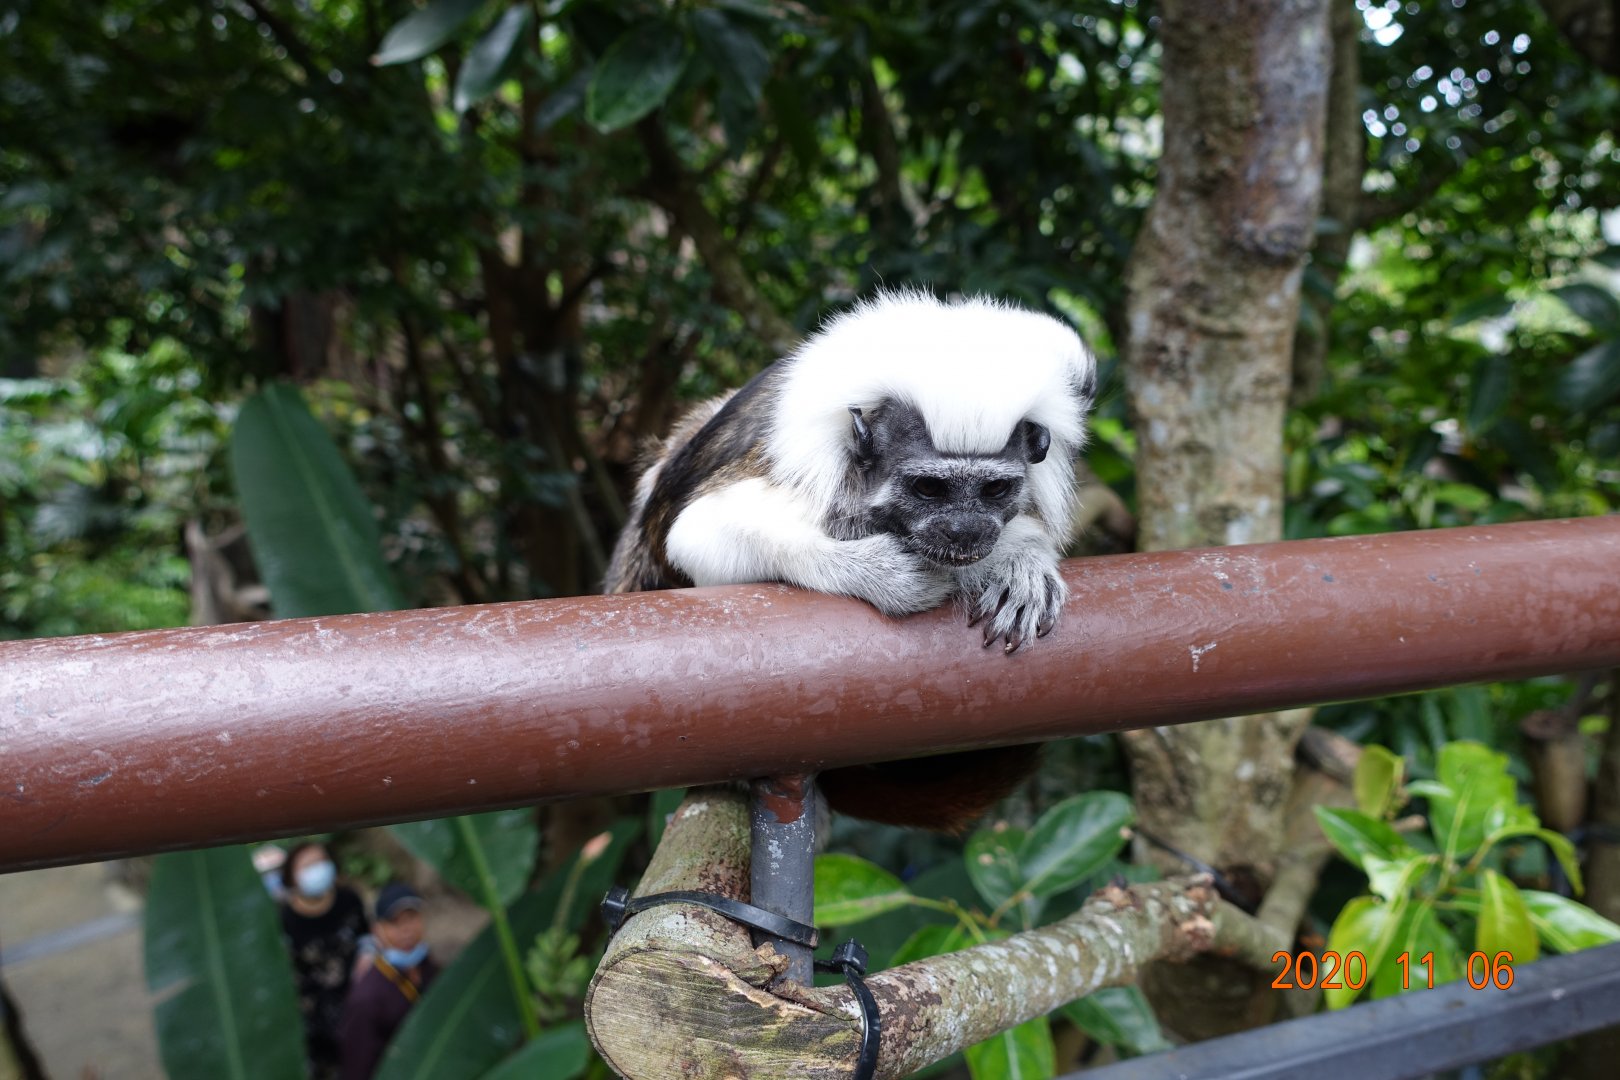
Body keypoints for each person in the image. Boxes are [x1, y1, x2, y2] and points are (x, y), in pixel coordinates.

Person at [279, 842, 370, 1080]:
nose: (318, 869)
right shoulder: (283, 919)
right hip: (312, 1021)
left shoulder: (349, 899)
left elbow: (366, 937)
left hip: (356, 1002)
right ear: (291, 876)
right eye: (308, 865)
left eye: (321, 862)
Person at [340, 883, 439, 1080]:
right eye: (395, 922)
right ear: (377, 930)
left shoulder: (430, 967)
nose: (407, 930)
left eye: (412, 917)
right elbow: (357, 1067)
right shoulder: (366, 998)